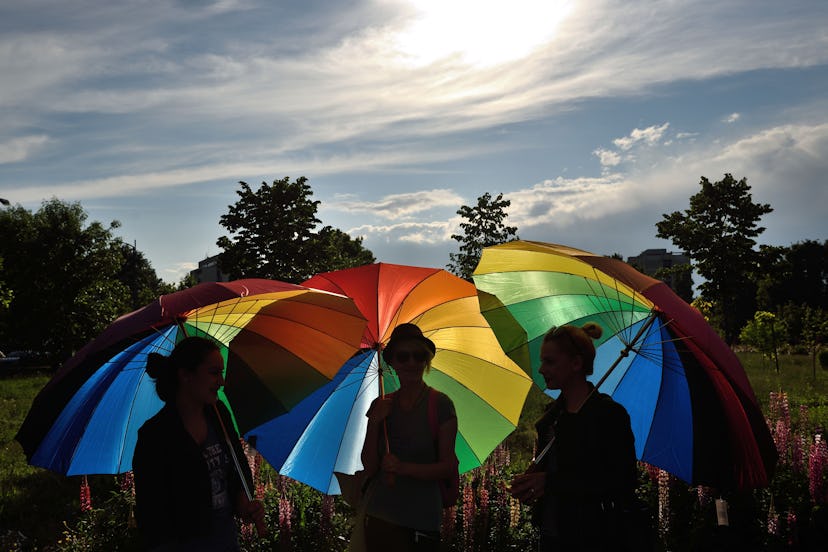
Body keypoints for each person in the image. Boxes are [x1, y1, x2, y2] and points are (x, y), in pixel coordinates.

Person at [508, 323, 640, 551]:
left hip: (595, 537)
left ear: (576, 363)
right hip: (551, 536)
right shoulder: (551, 417)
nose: (541, 370)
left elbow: (622, 481)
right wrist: (532, 484)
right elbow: (550, 475)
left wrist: (550, 482)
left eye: (549, 362)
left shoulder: (609, 416)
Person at [133, 336, 265, 551]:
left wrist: (244, 502)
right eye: (214, 373)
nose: (221, 382)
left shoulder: (218, 414)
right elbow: (152, 516)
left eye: (220, 373)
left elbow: (236, 466)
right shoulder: (154, 436)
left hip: (226, 543)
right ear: (185, 375)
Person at [359, 323, 458, 551]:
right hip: (380, 518)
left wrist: (403, 468)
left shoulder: (441, 405)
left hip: (421, 522)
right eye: (403, 357)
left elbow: (447, 466)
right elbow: (369, 465)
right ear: (392, 362)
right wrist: (374, 423)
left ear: (427, 361)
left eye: (419, 356)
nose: (412, 363)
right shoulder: (381, 405)